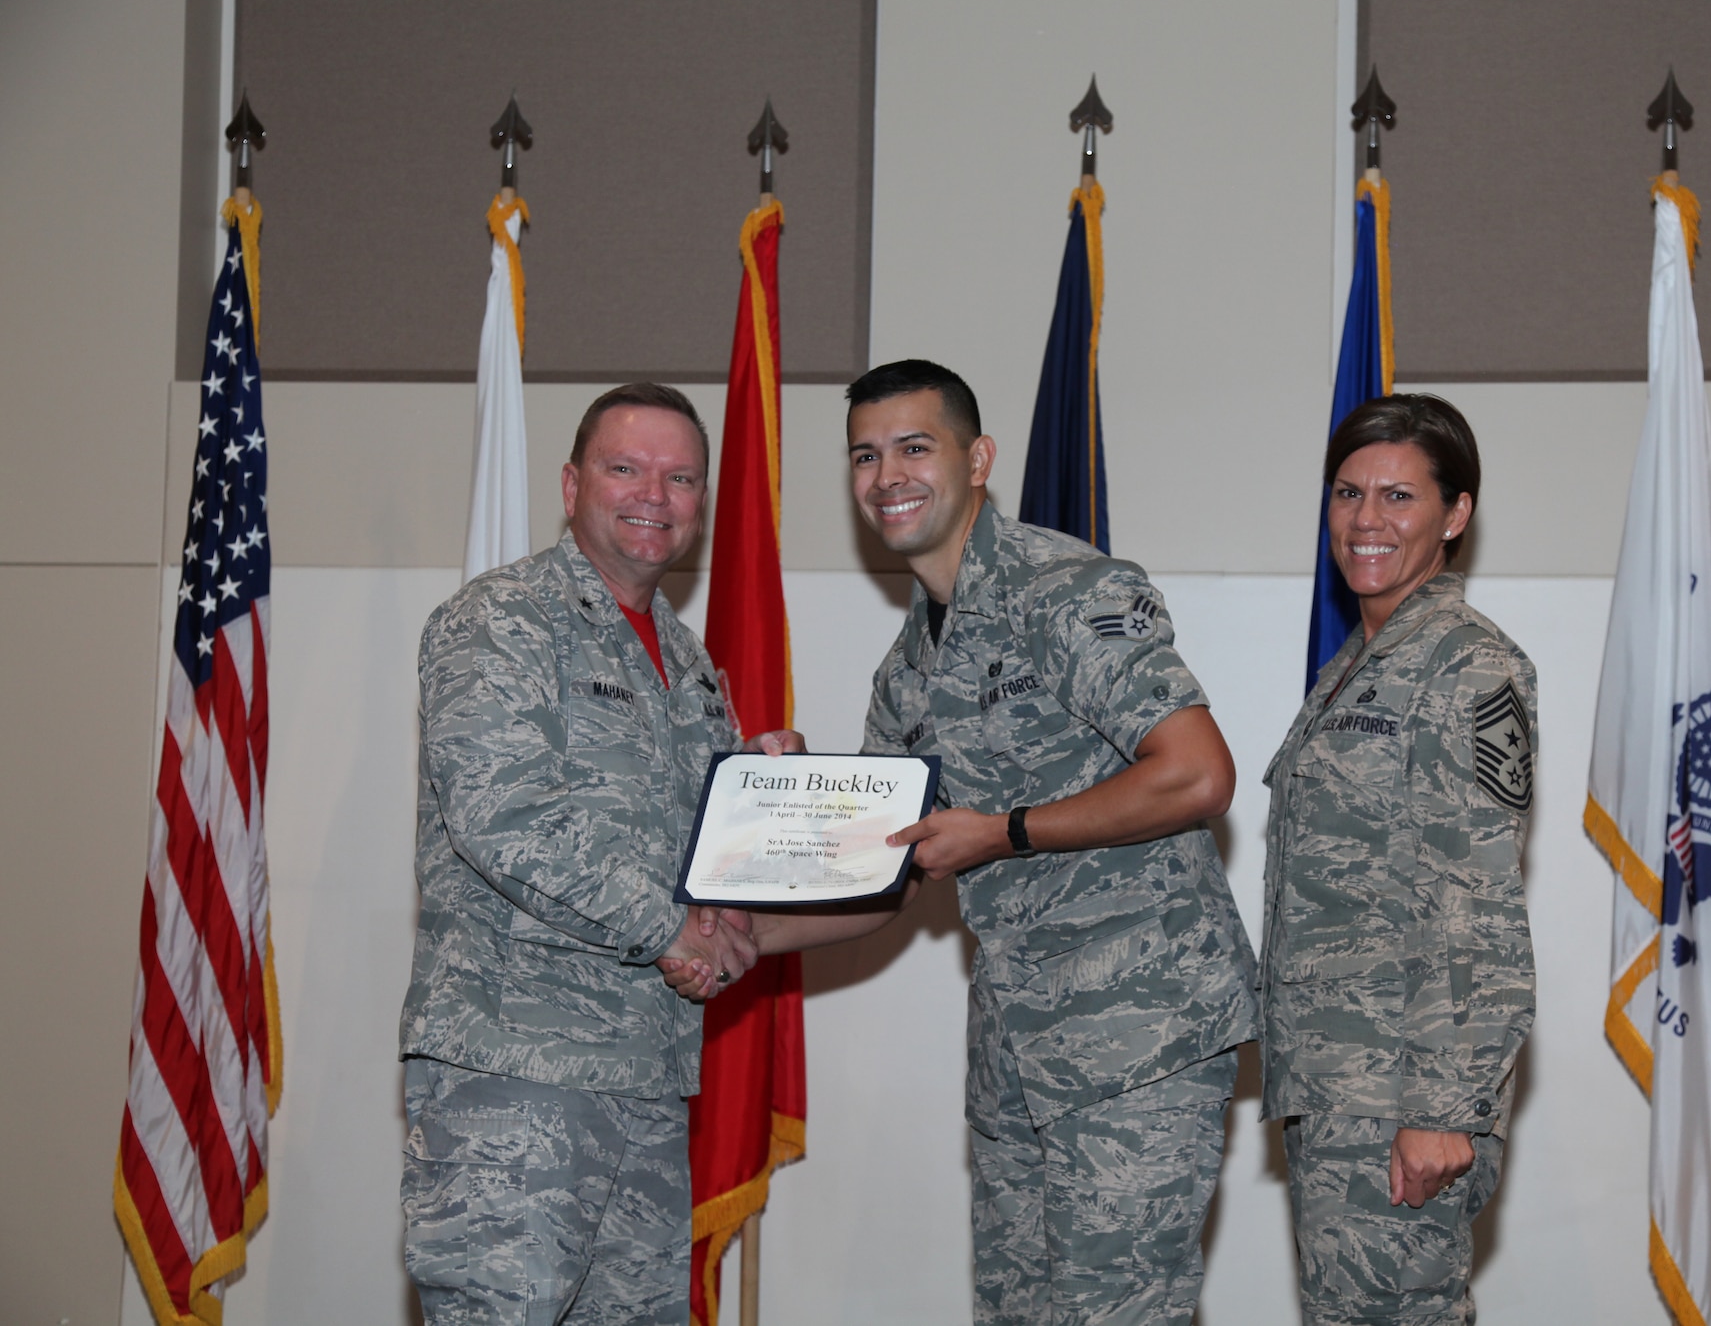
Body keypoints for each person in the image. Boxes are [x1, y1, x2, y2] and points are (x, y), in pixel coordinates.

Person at [399, 382, 910, 1324]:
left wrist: (764, 796)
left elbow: (685, 852)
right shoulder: (503, 622)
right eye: (625, 468)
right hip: (521, 1075)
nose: (654, 495)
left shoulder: (684, 662)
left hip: (647, 1080)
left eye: (681, 478)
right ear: (570, 483)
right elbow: (503, 817)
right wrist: (674, 925)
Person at [846, 359, 1259, 1325]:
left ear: (978, 458)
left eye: (915, 446)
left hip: (1134, 1033)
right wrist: (725, 918)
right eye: (865, 456)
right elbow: (875, 866)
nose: (887, 475)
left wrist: (1003, 833)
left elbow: (1197, 773)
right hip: (1015, 1051)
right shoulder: (909, 667)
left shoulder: (1066, 590)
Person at [1261, 393, 1537, 1324]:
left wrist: (1444, 1106)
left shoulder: (1464, 665)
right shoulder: (1358, 664)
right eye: (1346, 494)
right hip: (1341, 1084)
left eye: (1398, 497)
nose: (1365, 520)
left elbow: (1475, 894)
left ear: (1455, 514)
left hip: (1400, 1094)